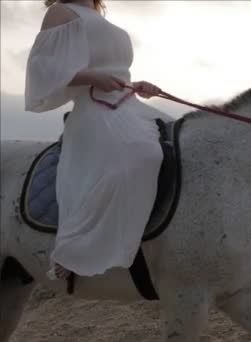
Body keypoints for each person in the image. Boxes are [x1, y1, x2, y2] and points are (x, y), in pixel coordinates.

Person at [25, 0, 171, 280]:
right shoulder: (61, 12)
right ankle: (73, 249)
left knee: (179, 136)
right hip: (94, 109)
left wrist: (138, 85)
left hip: (126, 102)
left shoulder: (99, 16)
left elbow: (117, 73)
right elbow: (42, 69)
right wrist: (92, 77)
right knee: (142, 154)